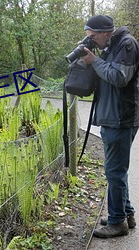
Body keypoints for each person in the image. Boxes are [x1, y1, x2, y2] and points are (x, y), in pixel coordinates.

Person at [81, 15, 139, 238]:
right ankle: (126, 214)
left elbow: (118, 77)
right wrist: (91, 59)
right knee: (116, 171)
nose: (92, 41)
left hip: (121, 118)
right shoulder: (110, 46)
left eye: (93, 37)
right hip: (111, 117)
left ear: (105, 32)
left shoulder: (127, 44)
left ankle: (117, 223)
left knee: (114, 171)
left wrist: (94, 61)